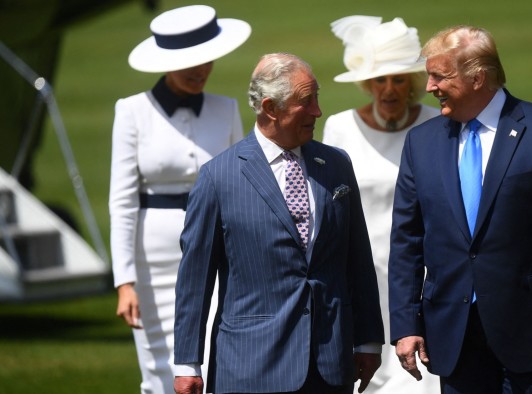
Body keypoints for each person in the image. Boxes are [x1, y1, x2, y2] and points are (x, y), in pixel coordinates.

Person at [388, 25, 532, 393]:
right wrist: (406, 325)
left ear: (478, 78)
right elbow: (407, 238)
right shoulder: (421, 142)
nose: (429, 87)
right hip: (453, 332)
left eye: (439, 76)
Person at [173, 53, 385, 394]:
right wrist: (187, 363)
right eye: (307, 101)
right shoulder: (218, 177)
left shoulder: (335, 164)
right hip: (251, 366)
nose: (318, 110)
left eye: (317, 97)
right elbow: (195, 279)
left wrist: (368, 340)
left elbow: (356, 257)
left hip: (329, 363)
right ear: (271, 108)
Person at [108, 5, 250, 393]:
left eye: (206, 59)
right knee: (159, 366)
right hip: (152, 259)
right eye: (188, 62)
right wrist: (125, 281)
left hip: (218, 248)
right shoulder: (133, 110)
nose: (200, 69)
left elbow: (242, 184)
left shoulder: (227, 108)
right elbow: (121, 200)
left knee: (212, 354)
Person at [322, 15, 440, 393]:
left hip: (421, 269)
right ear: (367, 83)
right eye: (380, 79)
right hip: (363, 271)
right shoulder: (340, 127)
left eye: (398, 79)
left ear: (413, 83)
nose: (389, 89)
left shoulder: (436, 123)